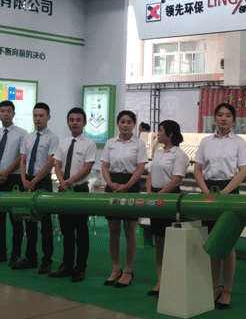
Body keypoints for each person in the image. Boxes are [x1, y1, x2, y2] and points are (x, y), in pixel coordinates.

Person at [193, 102, 246, 309]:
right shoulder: (206, 141)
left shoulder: (239, 142)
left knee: (227, 243)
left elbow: (243, 171)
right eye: (220, 115)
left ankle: (227, 289)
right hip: (209, 192)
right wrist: (206, 191)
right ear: (215, 118)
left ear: (233, 120)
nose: (223, 118)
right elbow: (198, 169)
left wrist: (225, 193)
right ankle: (215, 285)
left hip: (229, 192)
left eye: (227, 115)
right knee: (212, 240)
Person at [100, 110, 148, 288]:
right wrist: (110, 183)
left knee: (129, 230)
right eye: (122, 121)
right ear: (117, 123)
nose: (125, 125)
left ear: (134, 125)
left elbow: (140, 168)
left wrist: (127, 186)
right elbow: (105, 166)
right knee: (113, 229)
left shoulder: (139, 144)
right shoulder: (110, 143)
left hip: (131, 186)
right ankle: (115, 269)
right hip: (112, 185)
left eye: (129, 122)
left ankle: (128, 270)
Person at [49, 107, 96, 283]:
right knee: (66, 231)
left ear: (84, 123)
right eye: (71, 120)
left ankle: (80, 268)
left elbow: (87, 168)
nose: (74, 123)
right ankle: (66, 266)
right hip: (63, 191)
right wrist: (62, 182)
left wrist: (68, 182)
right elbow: (57, 165)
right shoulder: (63, 142)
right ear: (68, 122)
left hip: (79, 191)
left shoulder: (89, 143)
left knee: (81, 231)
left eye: (78, 120)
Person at [145, 119, 189, 297]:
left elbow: (176, 180)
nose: (158, 133)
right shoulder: (157, 153)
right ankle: (160, 280)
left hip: (169, 199)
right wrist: (150, 192)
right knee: (159, 241)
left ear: (170, 134)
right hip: (156, 197)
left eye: (161, 130)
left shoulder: (179, 155)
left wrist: (159, 195)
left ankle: (173, 280)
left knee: (171, 241)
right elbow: (149, 174)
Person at [16, 102, 59, 273]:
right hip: (27, 181)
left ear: (48, 117)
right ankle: (30, 258)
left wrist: (35, 180)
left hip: (43, 182)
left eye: (41, 115)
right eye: (35, 115)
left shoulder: (52, 138)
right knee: (29, 221)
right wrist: (23, 179)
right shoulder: (28, 137)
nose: (38, 118)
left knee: (45, 223)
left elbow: (50, 162)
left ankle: (47, 260)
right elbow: (22, 160)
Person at [0, 100, 28, 267]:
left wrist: (7, 172)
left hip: (14, 180)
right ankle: (0, 253)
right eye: (2, 111)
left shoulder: (22, 133)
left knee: (16, 218)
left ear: (14, 114)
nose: (5, 113)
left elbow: (21, 157)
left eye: (9, 111)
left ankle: (15, 254)